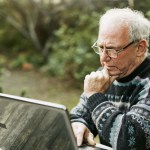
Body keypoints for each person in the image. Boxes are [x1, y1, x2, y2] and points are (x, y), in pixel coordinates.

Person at [70, 7, 150, 150]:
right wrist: (78, 125)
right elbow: (78, 116)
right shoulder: (105, 76)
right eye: (101, 48)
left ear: (140, 48)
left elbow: (129, 142)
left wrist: (95, 96)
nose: (103, 59)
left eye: (113, 50)